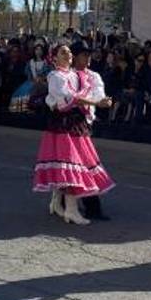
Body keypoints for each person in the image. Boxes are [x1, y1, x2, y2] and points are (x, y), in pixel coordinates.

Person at [34, 42, 114, 224]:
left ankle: (59, 203)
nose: (87, 58)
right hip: (65, 124)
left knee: (72, 165)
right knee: (72, 164)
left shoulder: (89, 76)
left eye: (88, 54)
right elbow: (60, 98)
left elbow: (97, 94)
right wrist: (54, 102)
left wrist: (102, 102)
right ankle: (79, 208)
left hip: (80, 123)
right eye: (83, 54)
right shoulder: (58, 75)